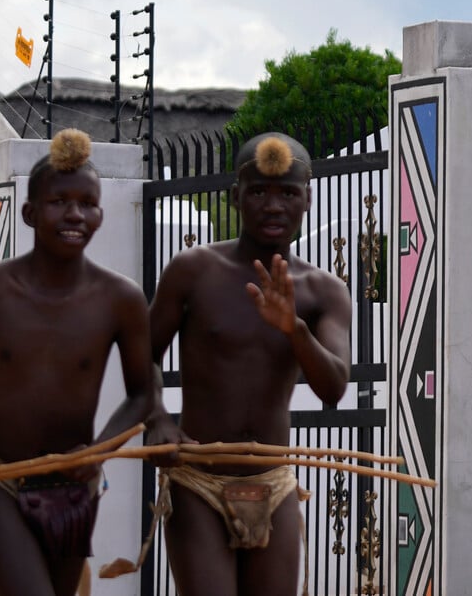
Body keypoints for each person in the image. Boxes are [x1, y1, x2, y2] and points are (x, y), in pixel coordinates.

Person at [0, 128, 156, 596]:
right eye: (59, 202)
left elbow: (144, 393)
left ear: (101, 213)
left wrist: (99, 451)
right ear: (29, 212)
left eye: (88, 203)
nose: (75, 214)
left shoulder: (121, 299)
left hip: (73, 489)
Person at [145, 132, 352, 595]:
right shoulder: (192, 270)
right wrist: (157, 418)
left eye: (287, 193)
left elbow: (334, 387)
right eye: (259, 191)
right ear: (236, 196)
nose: (273, 205)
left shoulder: (324, 291)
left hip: (273, 483)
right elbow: (142, 353)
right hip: (198, 479)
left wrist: (294, 330)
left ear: (308, 199)